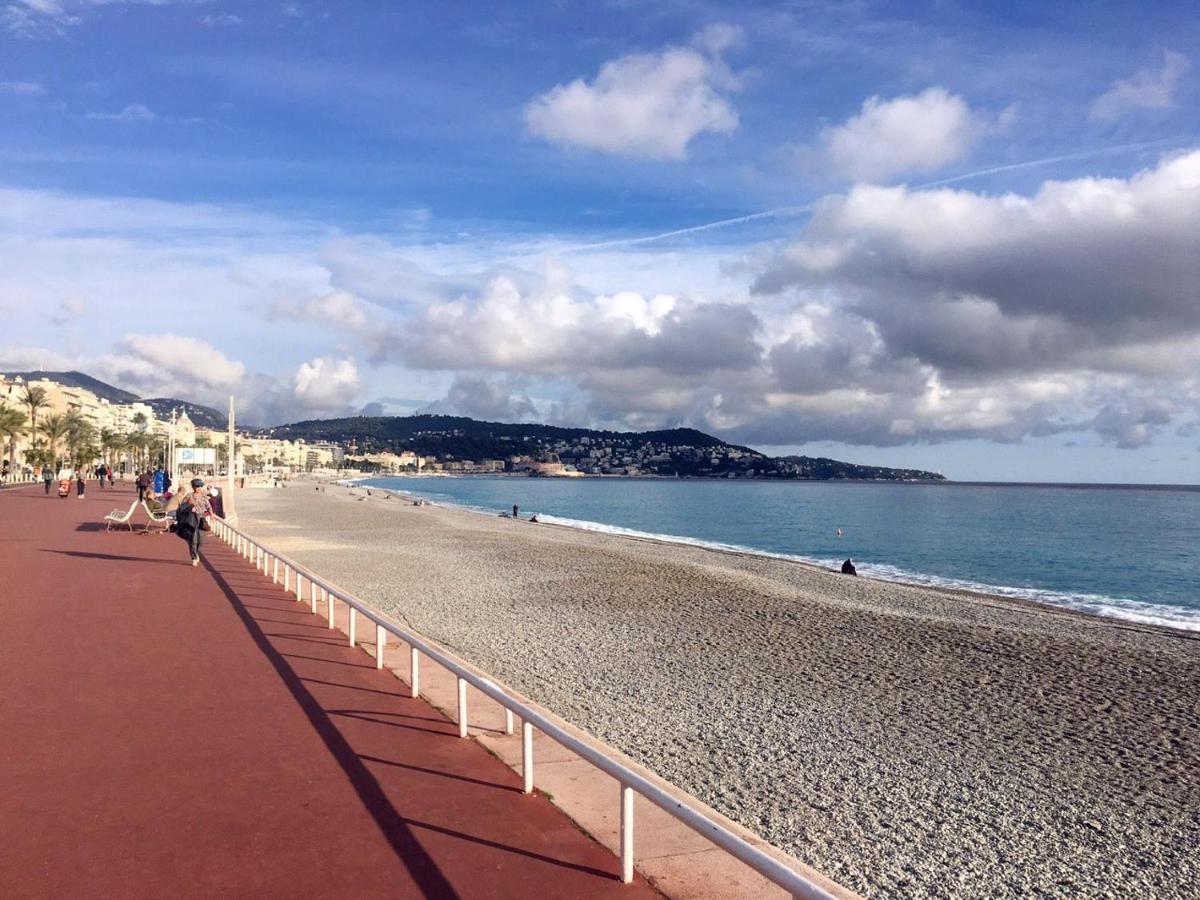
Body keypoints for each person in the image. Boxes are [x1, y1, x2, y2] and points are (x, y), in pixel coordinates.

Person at [174, 478, 212, 567]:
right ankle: (194, 557)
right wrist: (189, 505)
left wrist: (212, 514)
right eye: (197, 486)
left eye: (200, 486)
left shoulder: (204, 495)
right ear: (193, 487)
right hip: (192, 518)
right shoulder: (189, 496)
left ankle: (196, 552)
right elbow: (182, 507)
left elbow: (208, 506)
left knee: (201, 540)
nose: (199, 488)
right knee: (193, 540)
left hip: (201, 518)